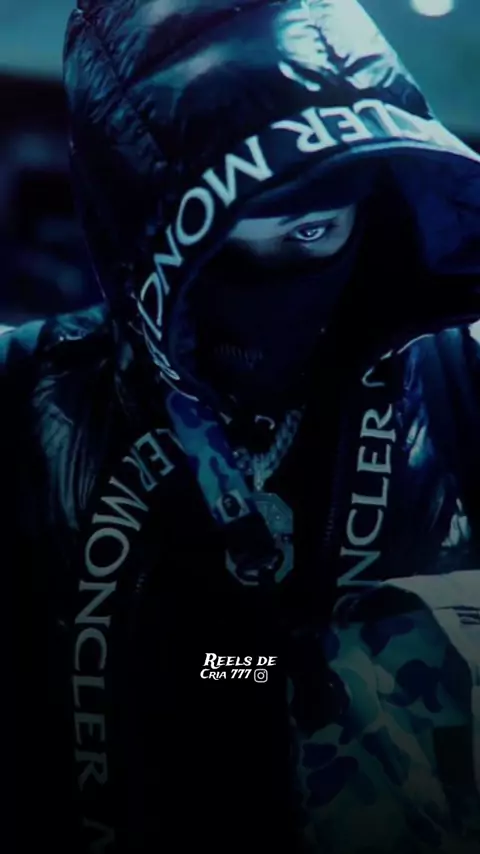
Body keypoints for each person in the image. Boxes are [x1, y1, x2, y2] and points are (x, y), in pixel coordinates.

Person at [8, 0, 480, 852]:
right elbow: (234, 669)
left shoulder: (462, 380)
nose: (268, 290)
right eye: (220, 249)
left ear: (373, 203)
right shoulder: (29, 405)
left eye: (312, 231)